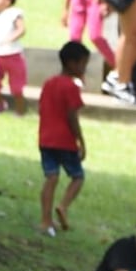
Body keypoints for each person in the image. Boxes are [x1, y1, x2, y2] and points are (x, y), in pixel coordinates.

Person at [37, 39, 90, 237]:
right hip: (65, 140)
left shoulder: (49, 83)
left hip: (46, 139)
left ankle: (45, 220)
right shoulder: (71, 87)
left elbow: (42, 108)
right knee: (77, 177)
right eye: (83, 63)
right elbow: (72, 116)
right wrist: (80, 140)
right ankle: (63, 205)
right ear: (72, 63)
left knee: (51, 178)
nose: (84, 67)